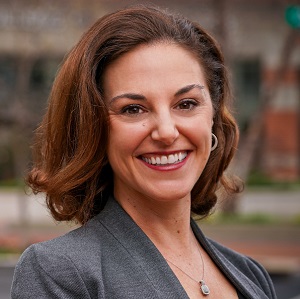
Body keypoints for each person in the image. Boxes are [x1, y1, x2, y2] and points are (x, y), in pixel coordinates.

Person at [11, 4, 277, 299]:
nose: (166, 131)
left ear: (212, 117)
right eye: (133, 109)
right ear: (93, 131)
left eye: (186, 103)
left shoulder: (252, 275)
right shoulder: (60, 273)